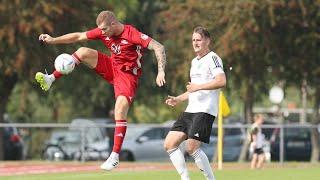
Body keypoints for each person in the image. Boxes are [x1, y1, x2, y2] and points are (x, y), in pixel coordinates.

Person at [36, 10, 166, 171]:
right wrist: (53, 40)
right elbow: (78, 36)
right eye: (100, 30)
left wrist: (161, 71)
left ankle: (115, 156)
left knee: (120, 109)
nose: (102, 33)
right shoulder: (104, 30)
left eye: (104, 29)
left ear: (113, 24)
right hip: (112, 66)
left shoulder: (131, 33)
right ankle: (51, 79)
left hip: (127, 76)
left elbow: (159, 47)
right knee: (82, 51)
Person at [164, 26, 226, 180]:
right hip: (191, 110)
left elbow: (221, 81)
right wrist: (178, 99)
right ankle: (185, 178)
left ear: (207, 41)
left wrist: (198, 87)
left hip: (205, 110)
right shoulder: (194, 62)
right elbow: (193, 89)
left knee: (192, 147)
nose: (195, 43)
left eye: (198, 39)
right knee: (169, 143)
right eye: (193, 40)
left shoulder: (213, 58)